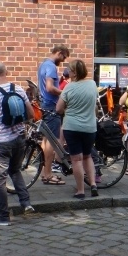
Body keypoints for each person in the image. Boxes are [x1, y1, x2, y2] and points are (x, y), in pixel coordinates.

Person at [0, 62, 35, 226]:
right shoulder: (17, 89)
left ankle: (3, 216)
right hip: (19, 138)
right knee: (15, 170)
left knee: (0, 179)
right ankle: (26, 203)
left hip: (2, 142)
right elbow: (31, 114)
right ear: (6, 72)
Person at [56, 59, 99, 199]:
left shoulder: (69, 87)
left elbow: (58, 109)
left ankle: (80, 190)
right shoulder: (92, 84)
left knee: (76, 159)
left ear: (74, 72)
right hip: (90, 127)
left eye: (70, 70)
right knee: (87, 156)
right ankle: (93, 184)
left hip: (72, 127)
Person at [38, 45, 70, 185]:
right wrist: (64, 94)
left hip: (44, 105)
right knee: (52, 141)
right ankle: (49, 174)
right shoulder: (51, 66)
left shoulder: (43, 64)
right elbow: (50, 88)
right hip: (51, 106)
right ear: (59, 53)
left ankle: (45, 173)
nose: (62, 61)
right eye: (63, 57)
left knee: (46, 141)